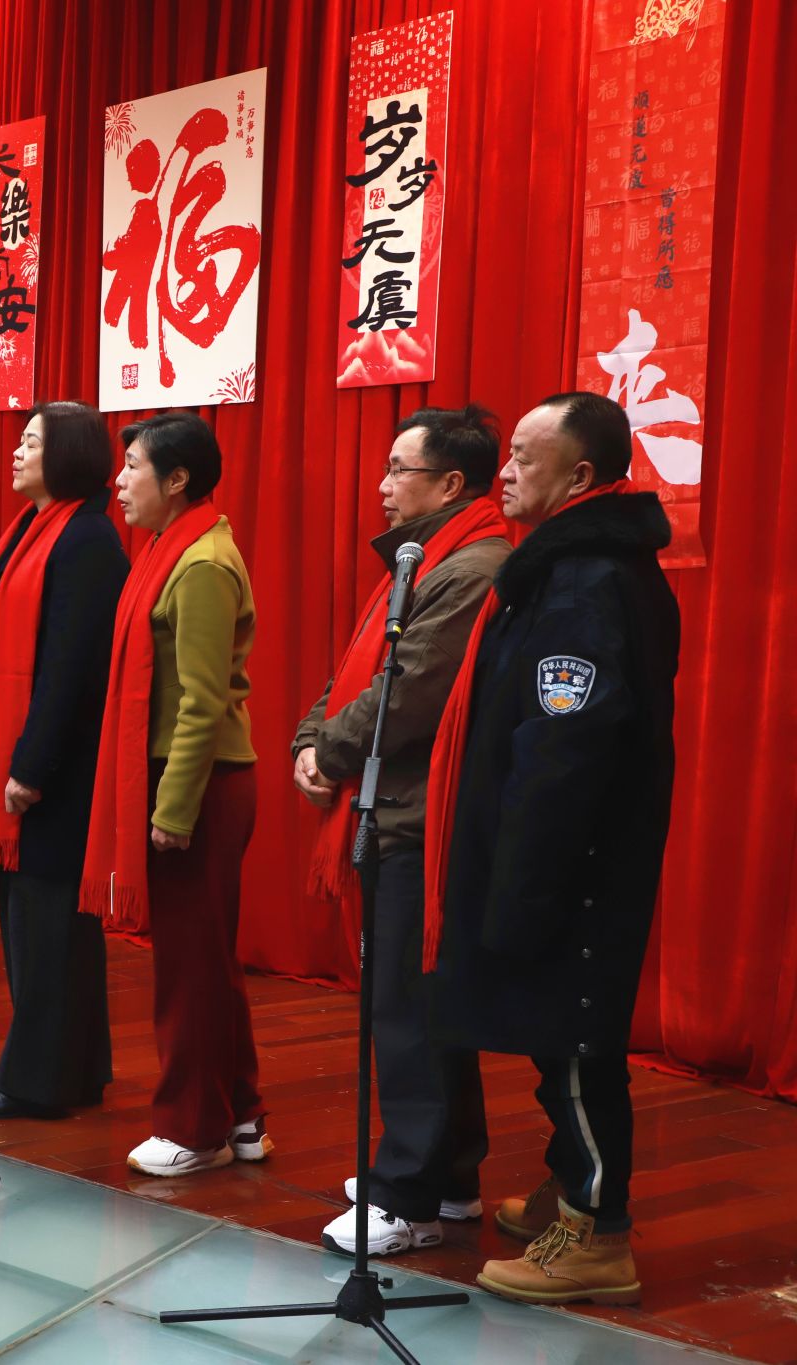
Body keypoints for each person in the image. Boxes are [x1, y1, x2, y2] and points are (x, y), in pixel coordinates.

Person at [428, 394, 678, 1306]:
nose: (505, 471)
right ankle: (571, 1187)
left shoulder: (584, 582)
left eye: (525, 458)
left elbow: (563, 748)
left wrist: (524, 883)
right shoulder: (572, 564)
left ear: (579, 475)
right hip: (562, 854)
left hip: (576, 863)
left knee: (573, 1041)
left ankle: (598, 1232)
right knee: (556, 1037)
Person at [292, 408, 512, 1256]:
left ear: (450, 483)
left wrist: (330, 751)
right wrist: (312, 739)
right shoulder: (426, 558)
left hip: (423, 818)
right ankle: (449, 1176)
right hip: (393, 803)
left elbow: (409, 690)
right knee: (417, 1004)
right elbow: (362, 667)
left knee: (408, 1011)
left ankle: (410, 1192)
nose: (382, 486)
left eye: (398, 469)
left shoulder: (473, 566)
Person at [82, 411, 264, 1174]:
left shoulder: (202, 564)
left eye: (133, 467)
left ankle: (195, 1128)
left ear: (178, 479)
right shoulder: (171, 547)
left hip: (198, 783)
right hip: (183, 778)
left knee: (190, 969)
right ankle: (240, 1113)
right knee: (205, 960)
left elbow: (202, 701)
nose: (120, 481)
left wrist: (174, 809)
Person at [0, 402, 125, 1120]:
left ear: (69, 454)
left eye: (32, 442)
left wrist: (30, 764)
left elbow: (70, 669)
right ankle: (74, 1069)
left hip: (58, 768)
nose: (17, 452)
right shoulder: (32, 528)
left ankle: (37, 1081)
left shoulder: (86, 539)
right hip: (32, 756)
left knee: (51, 928)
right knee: (40, 923)